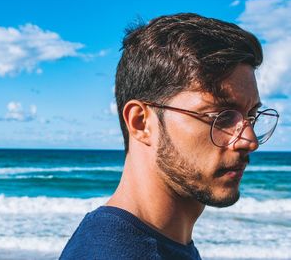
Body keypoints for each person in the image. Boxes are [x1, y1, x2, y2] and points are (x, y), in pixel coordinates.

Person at [60, 13, 279, 260]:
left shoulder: (164, 244)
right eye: (221, 116)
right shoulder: (108, 253)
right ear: (141, 122)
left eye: (251, 115)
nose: (250, 140)